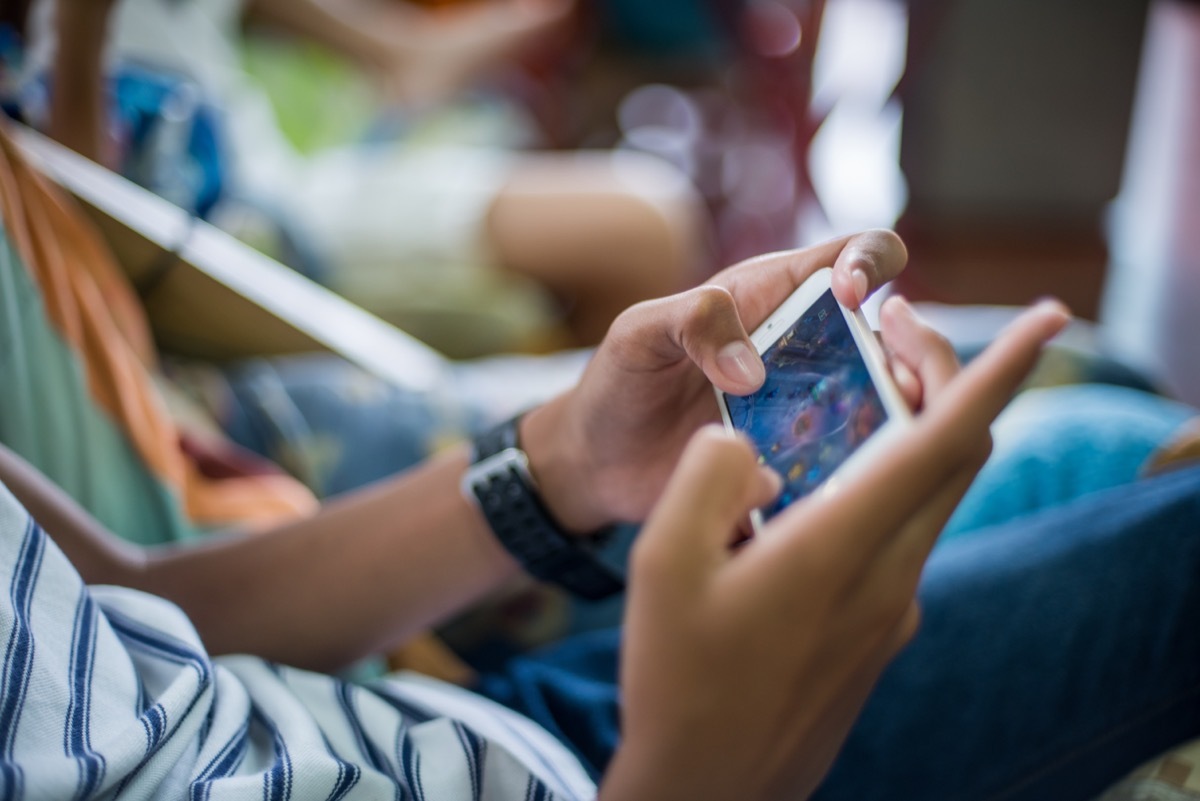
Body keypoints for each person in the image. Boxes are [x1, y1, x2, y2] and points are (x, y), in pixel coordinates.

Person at [4, 225, 1200, 799]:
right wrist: (708, 770)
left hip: (478, 729)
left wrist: (564, 471)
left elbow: (139, 606)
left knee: (1102, 437)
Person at [14, 0, 708, 349]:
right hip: (229, 237)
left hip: (275, 177)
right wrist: (82, 33)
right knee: (644, 226)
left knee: (650, 216)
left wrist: (389, 47)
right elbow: (76, 219)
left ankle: (399, 57)